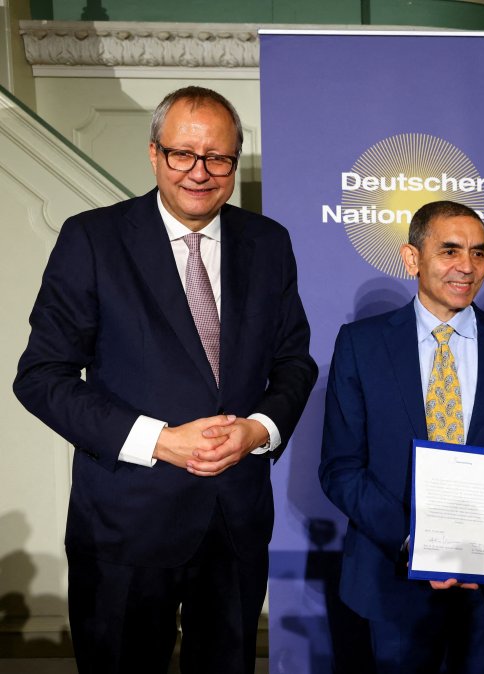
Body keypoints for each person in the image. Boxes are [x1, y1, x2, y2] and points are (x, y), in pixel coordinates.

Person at [12, 86, 318, 673]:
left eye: (218, 158)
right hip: (126, 523)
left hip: (235, 522)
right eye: (183, 154)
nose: (199, 173)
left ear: (235, 160)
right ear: (154, 154)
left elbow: (293, 362)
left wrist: (259, 429)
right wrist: (158, 440)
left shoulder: (269, 243)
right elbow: (41, 376)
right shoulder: (93, 240)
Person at [319, 200, 484, 674]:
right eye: (450, 251)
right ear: (411, 258)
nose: (467, 267)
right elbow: (341, 469)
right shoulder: (360, 345)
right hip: (393, 578)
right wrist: (416, 543)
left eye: (479, 253)